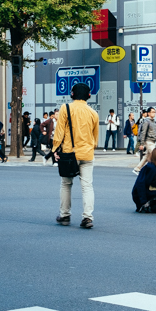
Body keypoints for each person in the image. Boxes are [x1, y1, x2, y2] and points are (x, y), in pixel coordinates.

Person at [53, 83, 99, 229]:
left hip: (68, 153)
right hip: (87, 153)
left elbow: (59, 132)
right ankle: (87, 218)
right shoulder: (93, 113)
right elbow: (95, 139)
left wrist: (55, 149)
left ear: (72, 94)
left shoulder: (65, 108)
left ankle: (65, 215)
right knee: (87, 186)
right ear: (89, 95)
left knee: (66, 184)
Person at [133, 107, 156, 175]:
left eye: (155, 112)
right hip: (148, 141)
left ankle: (137, 169)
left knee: (146, 157)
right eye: (152, 112)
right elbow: (143, 132)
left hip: (153, 141)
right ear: (148, 113)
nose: (154, 113)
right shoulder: (146, 121)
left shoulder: (154, 122)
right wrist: (142, 144)